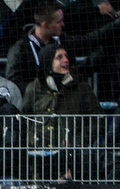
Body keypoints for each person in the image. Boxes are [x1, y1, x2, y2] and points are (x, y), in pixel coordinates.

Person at [21, 44, 102, 182]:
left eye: (66, 56)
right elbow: (23, 119)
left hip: (70, 155)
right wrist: (31, 138)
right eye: (59, 57)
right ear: (48, 62)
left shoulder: (81, 88)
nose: (66, 60)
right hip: (39, 154)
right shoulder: (34, 88)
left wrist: (76, 141)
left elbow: (98, 119)